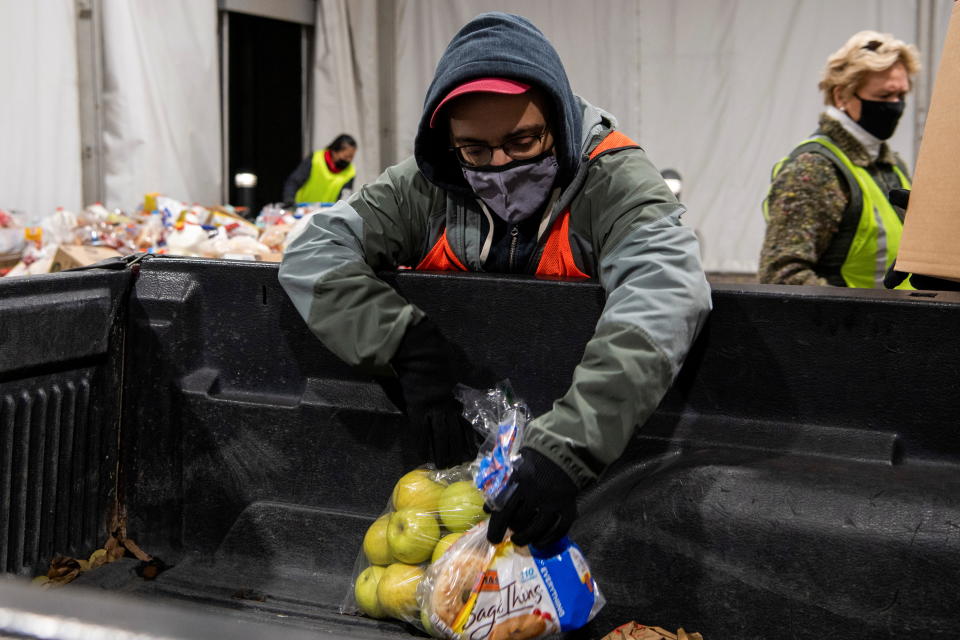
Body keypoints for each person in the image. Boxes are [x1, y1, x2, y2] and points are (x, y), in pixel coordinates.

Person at [279, 12, 710, 548]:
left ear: (558, 119)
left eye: (524, 142)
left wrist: (568, 449)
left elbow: (665, 294)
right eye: (476, 151)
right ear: (449, 143)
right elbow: (311, 249)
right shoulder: (428, 185)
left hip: (600, 462)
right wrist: (403, 344)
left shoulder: (615, 182)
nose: (500, 165)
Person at [759, 31, 920, 287]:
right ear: (841, 96)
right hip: (856, 326)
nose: (896, 105)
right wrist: (857, 319)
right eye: (884, 96)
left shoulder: (892, 165)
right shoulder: (814, 169)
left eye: (901, 96)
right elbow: (782, 276)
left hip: (901, 324)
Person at [282, 134, 357, 204]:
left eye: (351, 157)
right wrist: (289, 200)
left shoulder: (350, 172)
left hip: (326, 212)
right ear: (334, 151)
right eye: (346, 156)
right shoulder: (316, 159)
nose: (349, 160)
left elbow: (345, 196)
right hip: (302, 209)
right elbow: (294, 181)